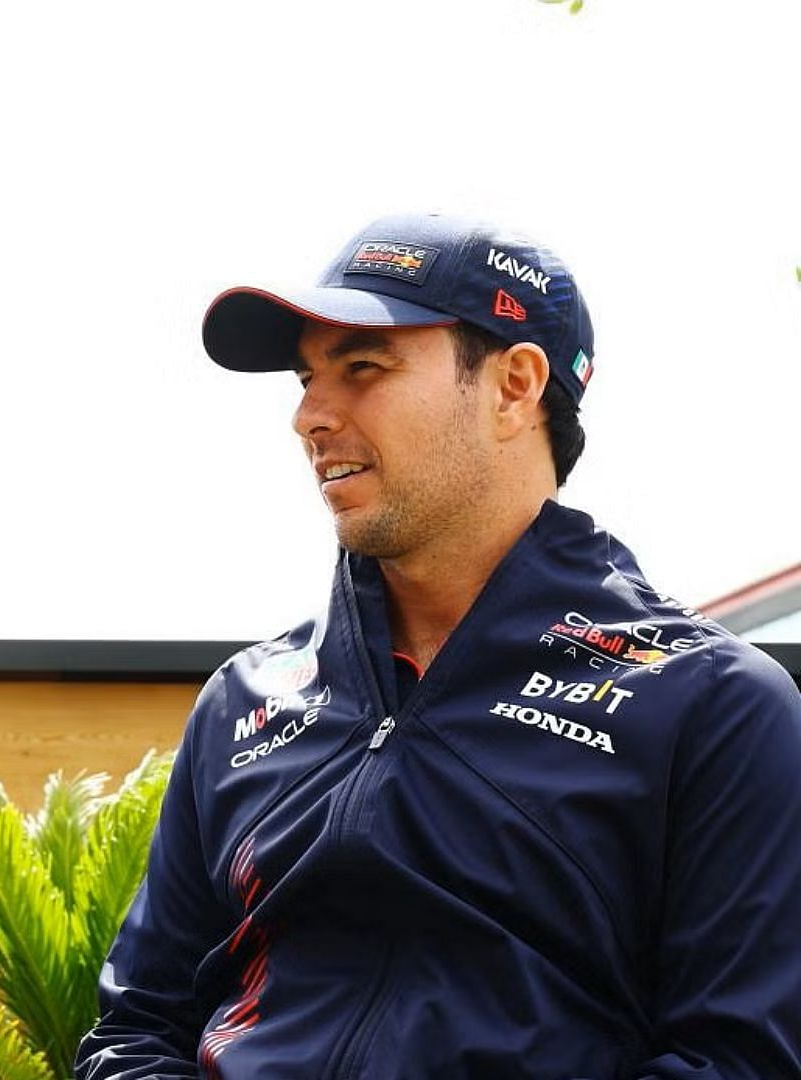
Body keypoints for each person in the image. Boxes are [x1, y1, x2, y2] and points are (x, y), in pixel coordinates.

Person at [75, 213, 801, 1078]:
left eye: (362, 367)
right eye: (308, 378)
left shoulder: (711, 704)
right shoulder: (244, 699)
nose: (310, 416)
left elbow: (738, 1060)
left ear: (514, 385)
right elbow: (135, 1030)